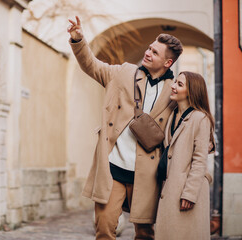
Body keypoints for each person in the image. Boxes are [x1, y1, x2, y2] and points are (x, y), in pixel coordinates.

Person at [67, 16, 183, 240]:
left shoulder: (174, 92)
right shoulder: (123, 73)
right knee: (104, 229)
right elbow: (92, 66)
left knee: (145, 234)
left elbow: (187, 122)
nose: (148, 53)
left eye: (155, 53)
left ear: (168, 63)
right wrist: (79, 41)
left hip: (147, 175)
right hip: (113, 167)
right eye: (150, 48)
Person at [155, 71, 215, 240]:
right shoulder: (172, 115)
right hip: (170, 186)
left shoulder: (200, 118)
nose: (173, 86)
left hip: (187, 191)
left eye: (179, 84)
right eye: (175, 82)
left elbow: (199, 160)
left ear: (191, 92)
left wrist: (189, 194)